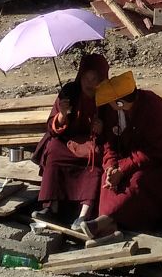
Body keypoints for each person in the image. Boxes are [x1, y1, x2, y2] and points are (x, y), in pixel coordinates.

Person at [94, 71, 162, 236]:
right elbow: (109, 143)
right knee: (108, 178)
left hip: (160, 160)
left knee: (137, 181)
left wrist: (123, 168)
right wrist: (111, 165)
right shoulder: (112, 111)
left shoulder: (153, 107)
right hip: (127, 158)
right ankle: (106, 219)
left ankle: (112, 221)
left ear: (119, 102)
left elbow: (156, 150)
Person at [36, 51, 110, 224]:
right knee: (53, 148)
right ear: (80, 77)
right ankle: (51, 206)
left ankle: (84, 213)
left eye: (95, 79)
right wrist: (62, 116)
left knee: (96, 157)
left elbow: (115, 128)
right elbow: (52, 128)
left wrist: (101, 129)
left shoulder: (107, 96)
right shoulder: (69, 92)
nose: (90, 84)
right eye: (86, 79)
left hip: (92, 143)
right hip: (67, 143)